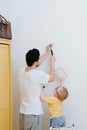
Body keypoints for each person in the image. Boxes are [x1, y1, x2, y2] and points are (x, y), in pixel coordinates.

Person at [18, 44, 56, 130]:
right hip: (33, 114)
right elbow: (52, 78)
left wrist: (47, 53)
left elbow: (35, 64)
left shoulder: (21, 71)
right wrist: (52, 62)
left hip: (23, 113)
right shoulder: (37, 75)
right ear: (35, 62)